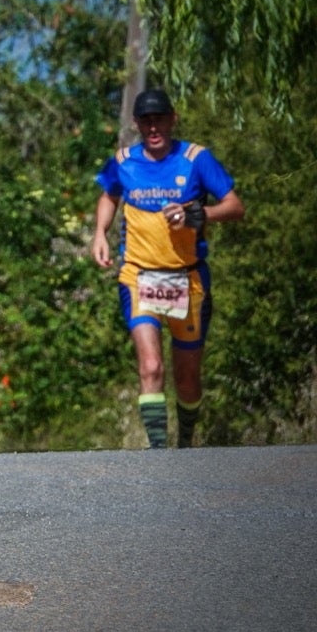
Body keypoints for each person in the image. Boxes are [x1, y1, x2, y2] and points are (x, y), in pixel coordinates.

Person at [91, 88, 243, 449]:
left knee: (187, 380)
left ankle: (185, 445)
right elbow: (109, 194)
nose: (153, 126)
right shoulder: (123, 161)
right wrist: (99, 232)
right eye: (146, 120)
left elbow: (236, 207)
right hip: (138, 276)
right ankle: (159, 453)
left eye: (159, 118)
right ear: (137, 124)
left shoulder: (196, 158)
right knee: (151, 367)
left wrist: (199, 213)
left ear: (173, 119)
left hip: (187, 279)